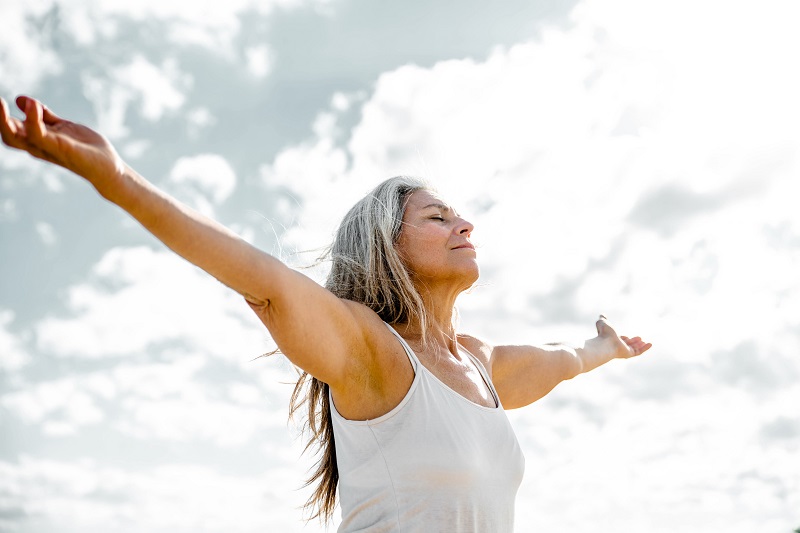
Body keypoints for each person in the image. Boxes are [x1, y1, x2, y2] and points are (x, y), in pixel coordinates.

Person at [0, 95, 652, 532]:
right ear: (386, 245)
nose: (464, 223)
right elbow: (264, 280)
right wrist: (116, 177)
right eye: (437, 216)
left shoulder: (481, 365)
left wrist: (606, 348)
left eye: (458, 213)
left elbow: (563, 361)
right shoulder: (371, 353)